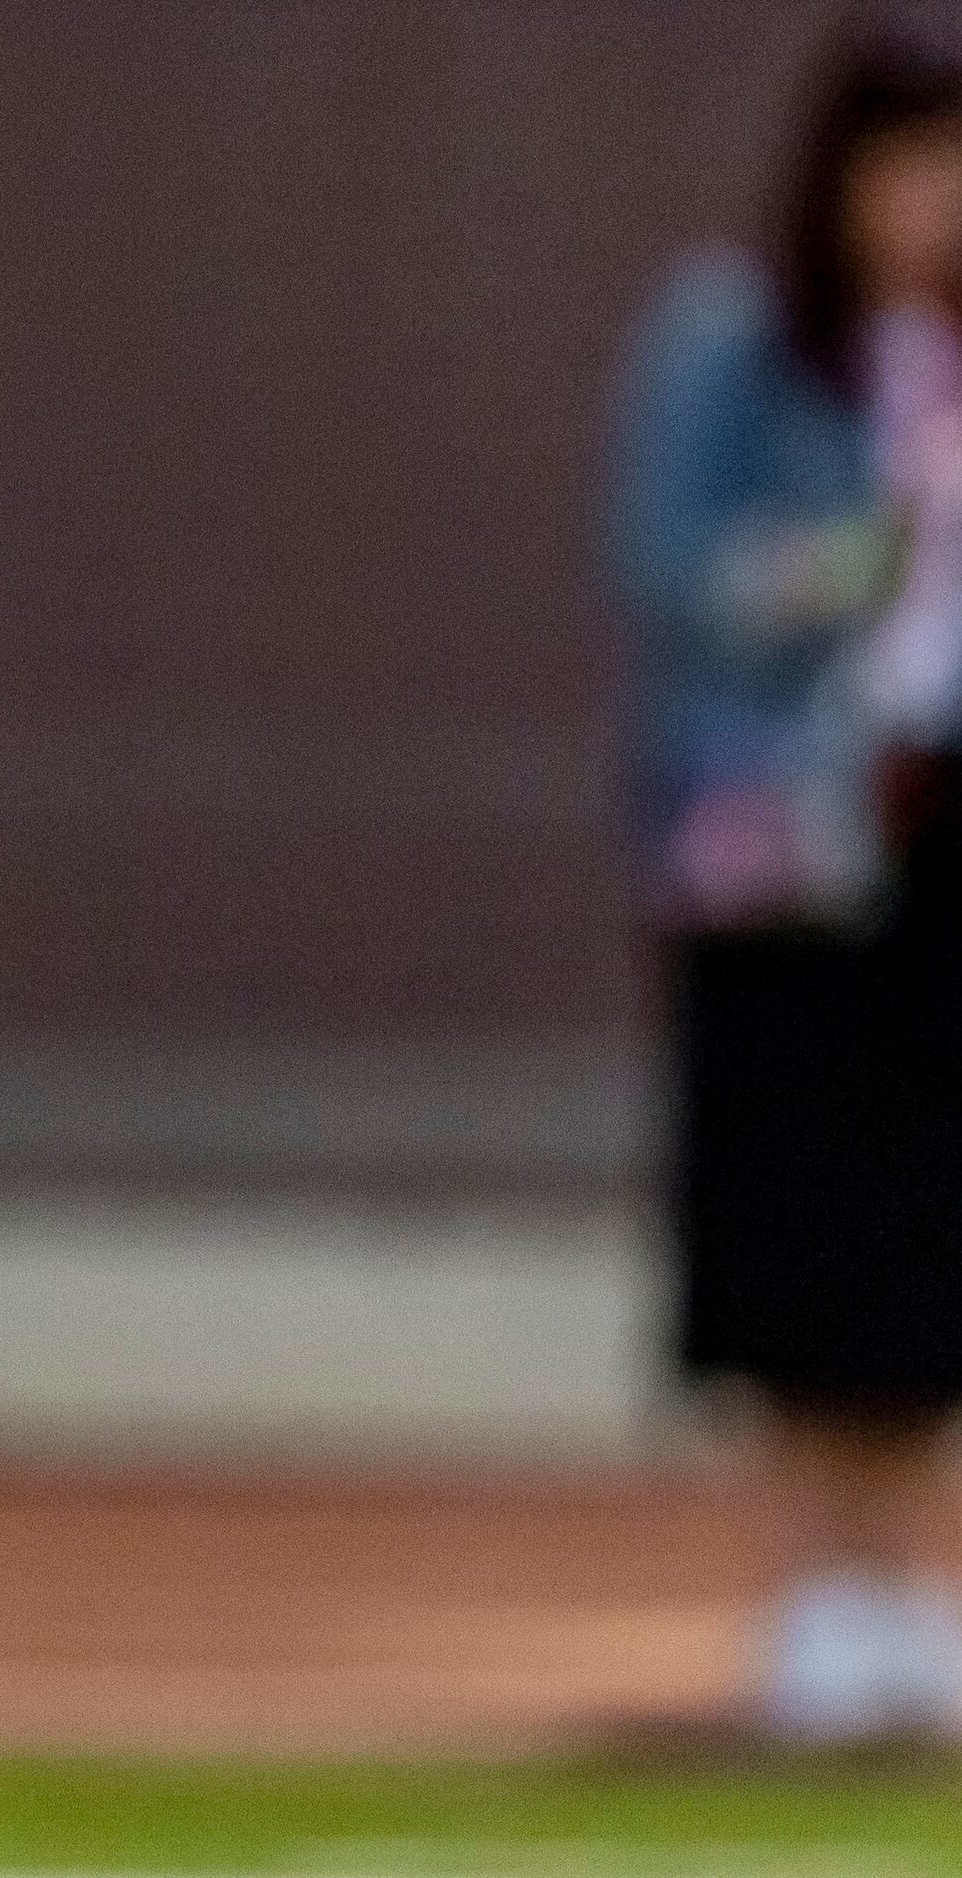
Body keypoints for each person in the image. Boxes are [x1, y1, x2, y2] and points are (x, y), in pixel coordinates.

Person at [617, 13, 962, 1746]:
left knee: (932, 1222)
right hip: (792, 843)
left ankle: (918, 1591)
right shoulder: (740, 340)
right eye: (911, 158)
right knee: (800, 1217)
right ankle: (821, 1586)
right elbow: (673, 568)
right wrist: (863, 546)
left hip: (946, 839)